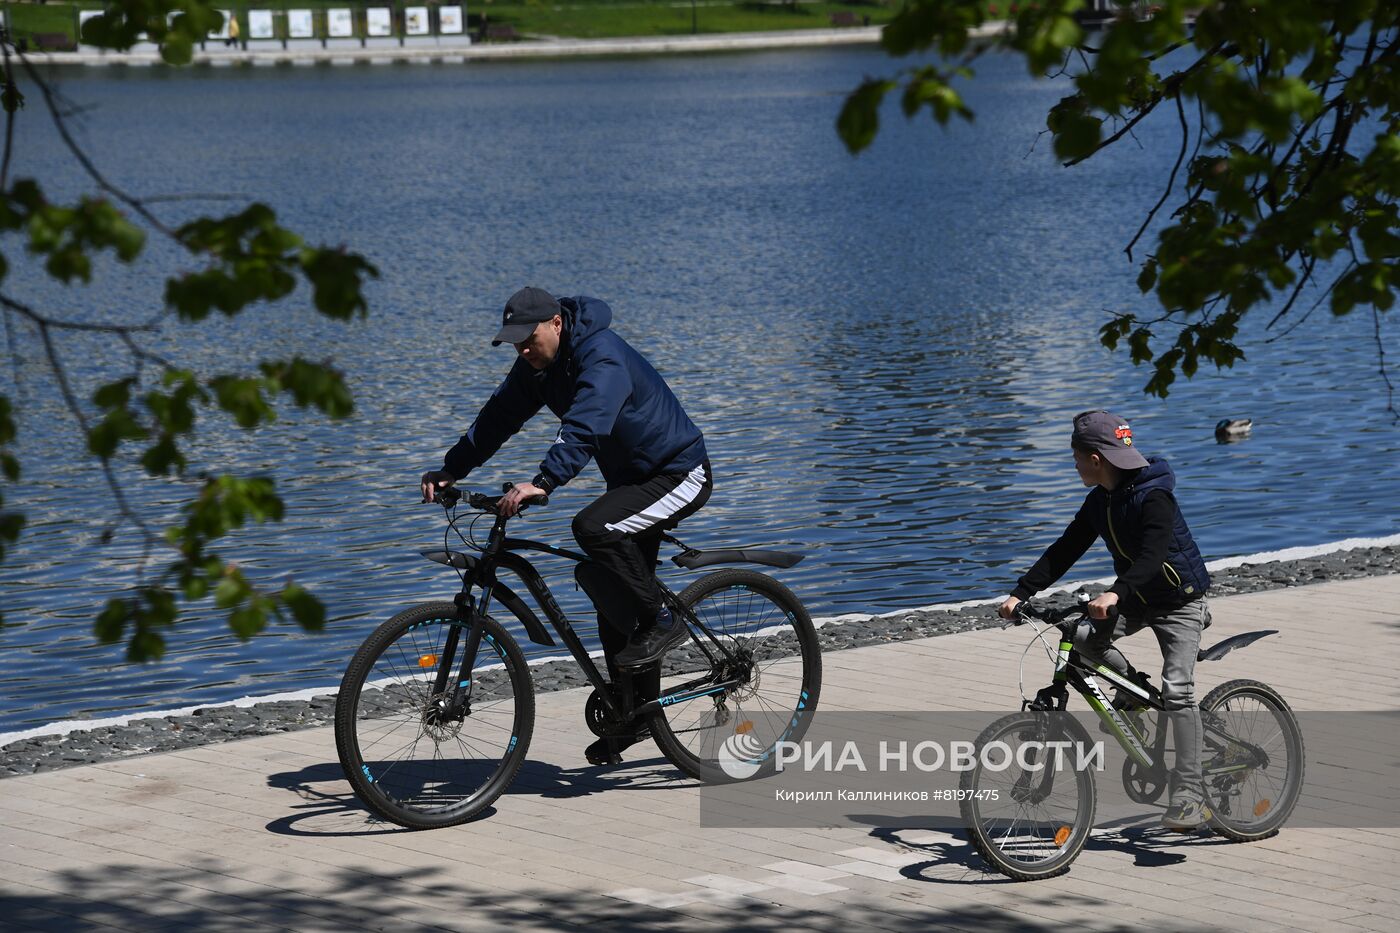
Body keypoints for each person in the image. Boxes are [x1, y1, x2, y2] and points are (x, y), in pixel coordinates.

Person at [420, 287, 712, 765]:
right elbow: (497, 418)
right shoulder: (536, 367)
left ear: (556, 323)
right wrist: (454, 467)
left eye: (529, 339)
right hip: (631, 481)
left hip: (678, 473)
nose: (523, 350)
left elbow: (587, 423)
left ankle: (665, 619)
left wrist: (544, 481)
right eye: (515, 344)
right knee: (604, 583)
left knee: (593, 528)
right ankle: (635, 713)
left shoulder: (602, 356)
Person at [998, 410, 1212, 831]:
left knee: (1178, 691)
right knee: (1081, 639)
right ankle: (1132, 693)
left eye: (1076, 457)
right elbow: (1066, 548)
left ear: (1096, 458)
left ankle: (1188, 793)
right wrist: (1021, 592)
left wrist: (1116, 592)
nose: (1074, 465)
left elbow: (1152, 556)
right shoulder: (1101, 501)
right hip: (1135, 597)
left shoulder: (1154, 497)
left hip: (1178, 602)